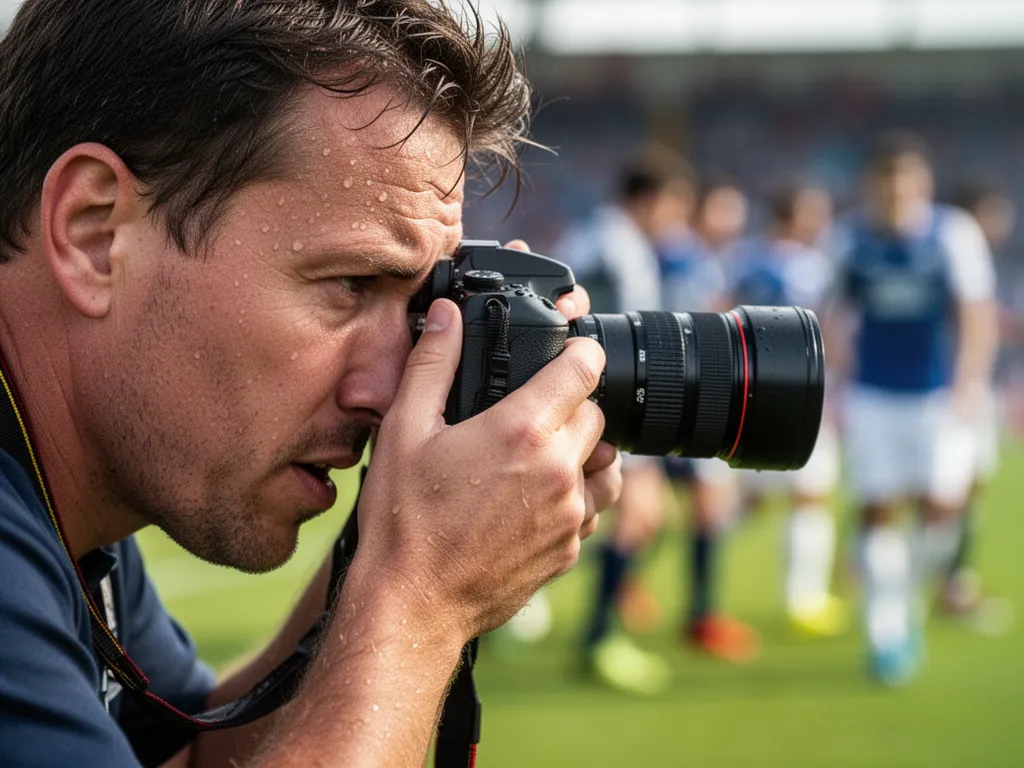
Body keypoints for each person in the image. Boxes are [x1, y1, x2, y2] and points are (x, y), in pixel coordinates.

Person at [0, 2, 623, 766]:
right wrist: (423, 598)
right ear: (95, 231)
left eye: (419, 306)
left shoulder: (60, 480)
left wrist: (399, 539)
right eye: (353, 283)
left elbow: (185, 760)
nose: (392, 390)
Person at [828, 133, 999, 685]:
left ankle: (908, 607)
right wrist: (837, 376)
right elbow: (827, 311)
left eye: (907, 180)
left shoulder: (952, 234)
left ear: (922, 183)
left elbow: (976, 313)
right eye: (886, 180)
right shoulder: (849, 237)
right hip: (874, 396)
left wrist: (970, 383)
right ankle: (886, 634)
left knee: (942, 509)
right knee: (878, 510)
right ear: (872, 185)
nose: (897, 191)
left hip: (936, 396)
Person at [552, 144, 693, 694]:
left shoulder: (591, 234)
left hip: (578, 390)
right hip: (609, 398)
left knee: (608, 518)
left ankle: (536, 617)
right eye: (675, 206)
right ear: (651, 199)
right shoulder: (625, 248)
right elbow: (643, 340)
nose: (676, 220)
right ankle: (598, 639)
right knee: (636, 518)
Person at [730, 180, 845, 637]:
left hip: (749, 396)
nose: (821, 222)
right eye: (814, 212)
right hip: (801, 395)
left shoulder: (744, 260)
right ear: (793, 216)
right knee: (809, 498)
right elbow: (827, 334)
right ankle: (805, 599)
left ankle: (674, 574)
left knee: (747, 503)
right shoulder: (808, 267)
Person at [658, 175, 760, 664]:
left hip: (687, 399)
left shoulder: (702, 259)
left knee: (672, 511)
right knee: (697, 507)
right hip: (682, 401)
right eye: (725, 210)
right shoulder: (680, 256)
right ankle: (701, 618)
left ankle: (695, 613)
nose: (733, 222)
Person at [938, 180, 1015, 628]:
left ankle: (954, 581)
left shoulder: (978, 263)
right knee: (946, 490)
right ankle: (948, 585)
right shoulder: (951, 259)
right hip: (950, 390)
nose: (1002, 225)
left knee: (971, 486)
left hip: (973, 387)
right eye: (994, 214)